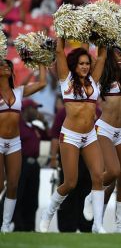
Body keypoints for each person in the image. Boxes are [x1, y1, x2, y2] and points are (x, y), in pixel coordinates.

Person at [39, 38, 106, 233]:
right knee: (70, 182)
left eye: (87, 63)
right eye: (81, 64)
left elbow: (102, 56)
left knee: (97, 178)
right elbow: (59, 51)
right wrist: (63, 28)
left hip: (90, 135)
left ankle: (98, 225)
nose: (85, 67)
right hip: (70, 136)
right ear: (74, 65)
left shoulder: (94, 81)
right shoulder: (66, 80)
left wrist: (102, 34)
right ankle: (48, 213)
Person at [83, 43, 121, 233]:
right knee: (114, 171)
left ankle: (119, 227)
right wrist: (103, 39)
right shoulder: (102, 77)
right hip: (104, 130)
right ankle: (91, 196)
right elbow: (98, 57)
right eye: (116, 55)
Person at [0, 60, 46, 232]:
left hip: (14, 143)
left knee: (13, 185)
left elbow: (42, 83)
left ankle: (5, 225)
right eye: (1, 65)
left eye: (8, 66)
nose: (5, 67)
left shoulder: (19, 91)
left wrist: (42, 60)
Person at [13, 99, 49, 231]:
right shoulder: (17, 125)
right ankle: (18, 226)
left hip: (34, 165)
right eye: (34, 109)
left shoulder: (35, 128)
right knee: (20, 195)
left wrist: (44, 122)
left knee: (32, 198)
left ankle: (30, 226)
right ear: (26, 110)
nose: (37, 112)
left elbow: (48, 136)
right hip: (21, 163)